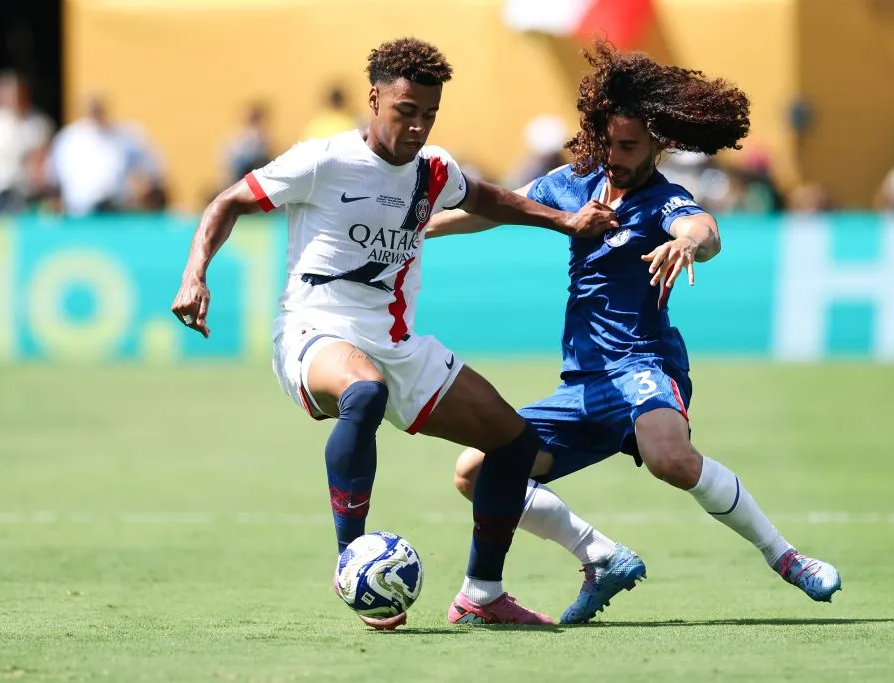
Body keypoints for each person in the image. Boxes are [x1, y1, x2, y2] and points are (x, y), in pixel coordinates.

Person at [170, 37, 617, 629]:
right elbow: (226, 203)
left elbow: (487, 198)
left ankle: (482, 595)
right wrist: (194, 275)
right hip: (314, 329)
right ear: (374, 98)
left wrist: (564, 221)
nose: (418, 126)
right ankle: (351, 564)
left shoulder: (433, 170)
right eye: (407, 111)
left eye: (429, 114)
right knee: (364, 390)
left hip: (397, 342)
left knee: (514, 445)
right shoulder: (322, 160)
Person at [427, 40, 842, 625]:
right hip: (584, 387)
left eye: (632, 146)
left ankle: (787, 557)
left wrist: (686, 243)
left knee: (670, 458)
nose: (618, 156)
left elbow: (705, 229)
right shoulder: (570, 185)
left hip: (644, 365)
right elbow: (494, 210)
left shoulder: (662, 200)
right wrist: (418, 231)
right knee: (476, 472)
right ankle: (601, 557)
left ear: (658, 145)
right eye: (612, 143)